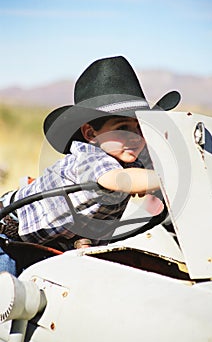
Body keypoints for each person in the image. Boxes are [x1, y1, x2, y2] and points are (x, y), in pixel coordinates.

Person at [0, 56, 180, 275]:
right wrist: (168, 176)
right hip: (7, 236)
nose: (134, 136)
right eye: (122, 127)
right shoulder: (89, 156)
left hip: (50, 243)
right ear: (91, 134)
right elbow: (117, 179)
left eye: (140, 127)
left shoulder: (130, 156)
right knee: (11, 297)